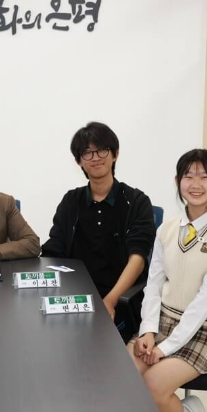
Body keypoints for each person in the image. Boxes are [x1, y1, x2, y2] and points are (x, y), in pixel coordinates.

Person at [128, 149, 207, 412]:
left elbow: (206, 299)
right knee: (124, 377)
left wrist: (166, 348)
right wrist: (148, 330)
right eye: (188, 176)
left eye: (204, 177)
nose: (196, 184)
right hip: (164, 322)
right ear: (177, 181)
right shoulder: (167, 229)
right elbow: (153, 284)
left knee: (154, 386)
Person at [41, 122, 155, 336]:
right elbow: (54, 249)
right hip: (75, 298)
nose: (95, 158)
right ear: (79, 161)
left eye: (102, 150)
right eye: (87, 153)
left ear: (115, 154)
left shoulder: (136, 201)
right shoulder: (71, 201)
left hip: (120, 300)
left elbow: (138, 259)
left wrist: (110, 301)